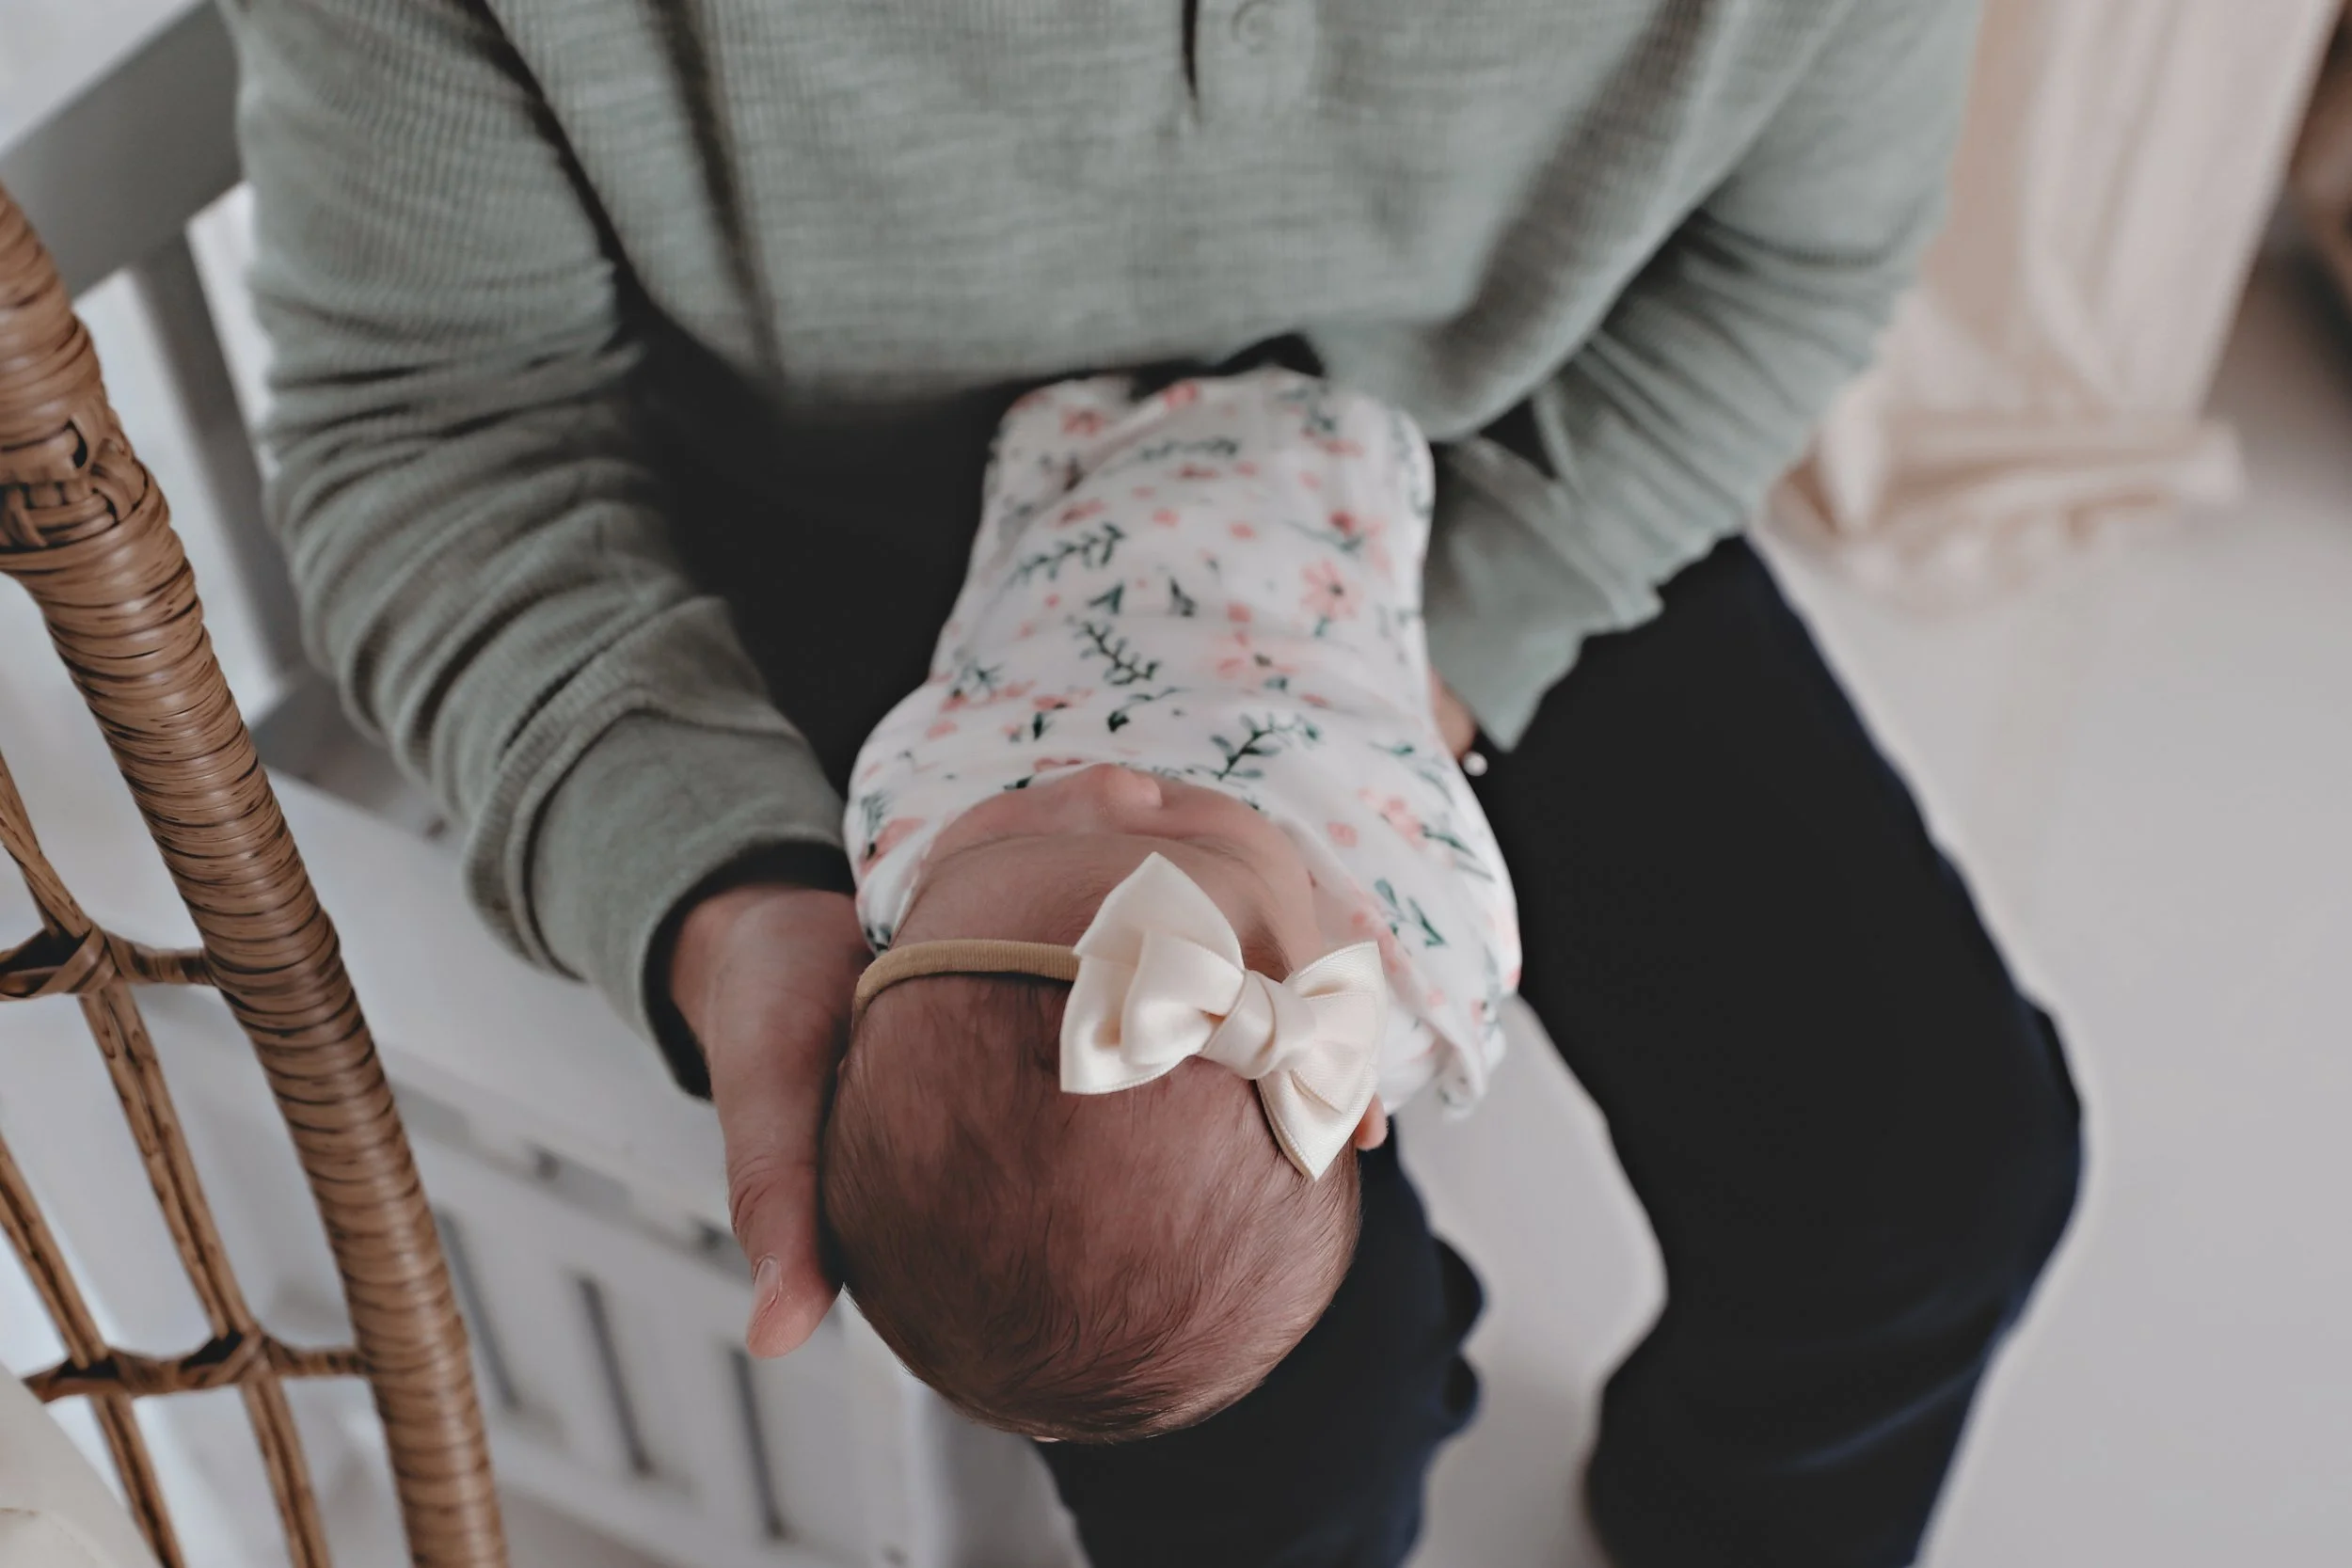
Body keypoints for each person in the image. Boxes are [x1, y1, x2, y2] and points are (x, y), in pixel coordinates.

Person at [228, 1, 2082, 1562]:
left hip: (1470, 480)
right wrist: (714, 881)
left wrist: (1401, 678)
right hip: (882, 542)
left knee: (1929, 1176)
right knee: (1259, 1431)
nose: (1131, 804)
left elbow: (1792, 261)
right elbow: (432, 419)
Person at [824, 370, 1516, 1442]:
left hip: (1078, 496)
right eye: (1189, 834)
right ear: (1345, 1074)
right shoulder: (1417, 929)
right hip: (1309, 497)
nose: (1111, 783)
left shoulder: (908, 810)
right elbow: (1449, 920)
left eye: (1013, 819)